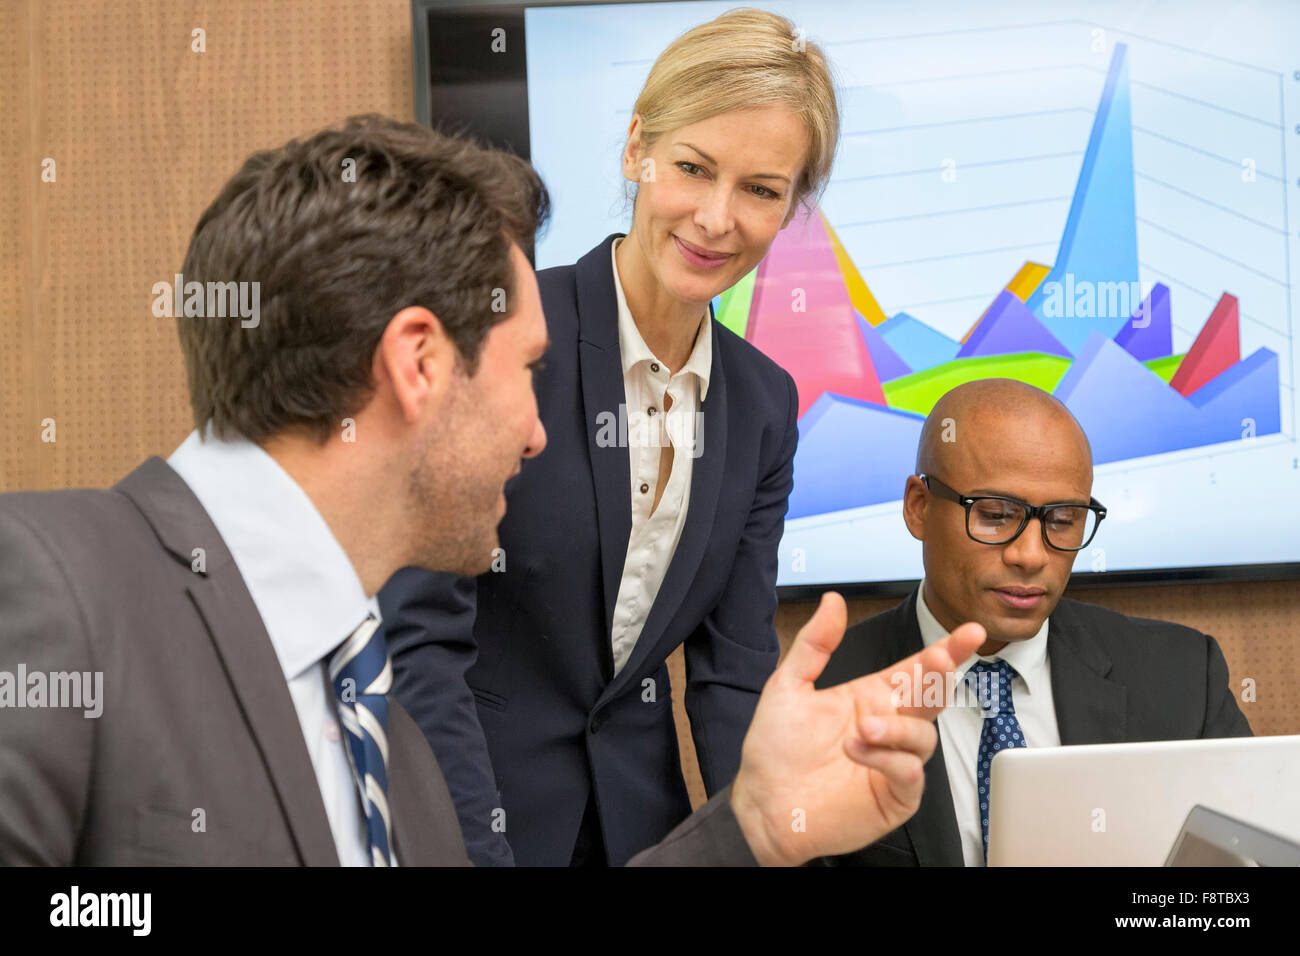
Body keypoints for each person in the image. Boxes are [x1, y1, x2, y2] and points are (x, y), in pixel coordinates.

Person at [0, 114, 988, 866]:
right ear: (419, 364)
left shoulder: (393, 734)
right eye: (526, 369)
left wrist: (752, 828)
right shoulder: (47, 588)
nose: (540, 430)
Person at [383, 6, 840, 867]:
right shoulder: (507, 334)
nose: (715, 218)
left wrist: (777, 847)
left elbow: (731, 675)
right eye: (694, 168)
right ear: (637, 149)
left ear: (792, 207)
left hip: (644, 831)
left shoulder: (764, 404)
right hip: (470, 816)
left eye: (761, 190)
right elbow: (420, 637)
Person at [815, 378, 1253, 867]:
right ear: (918, 508)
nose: (1030, 555)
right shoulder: (822, 696)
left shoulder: (1185, 678)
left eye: (1063, 520)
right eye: (996, 515)